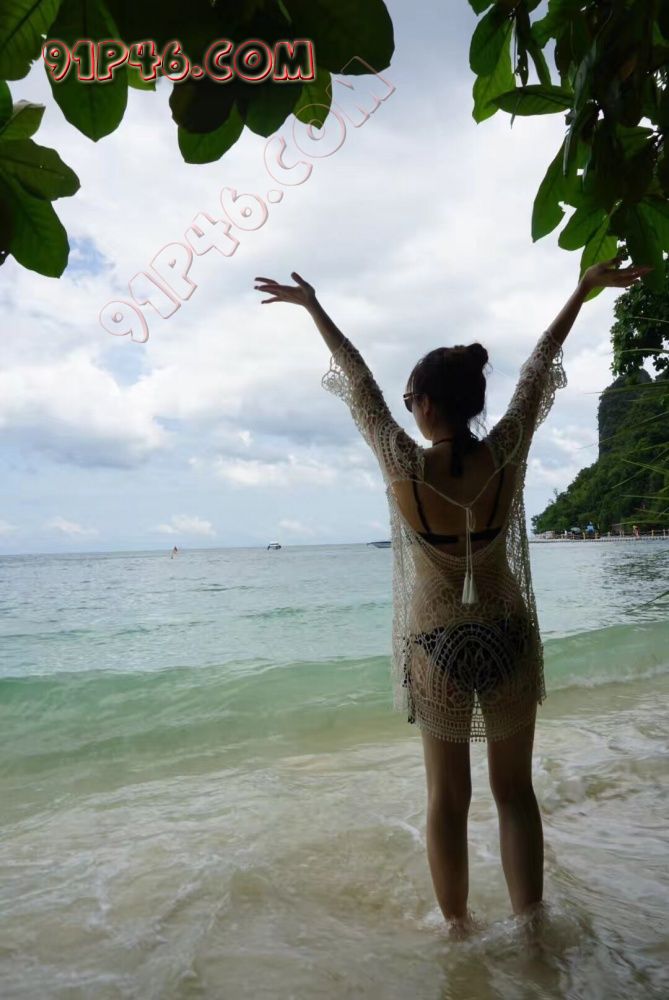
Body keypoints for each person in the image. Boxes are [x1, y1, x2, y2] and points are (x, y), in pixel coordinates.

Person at [254, 255, 651, 933]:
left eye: (411, 399)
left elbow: (358, 383)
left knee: (447, 799)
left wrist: (313, 307)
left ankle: (459, 933)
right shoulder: (506, 452)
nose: (406, 407)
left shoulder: (403, 464)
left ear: (427, 405)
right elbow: (538, 370)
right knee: (514, 793)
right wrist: (582, 290)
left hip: (436, 644)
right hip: (508, 636)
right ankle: (531, 927)